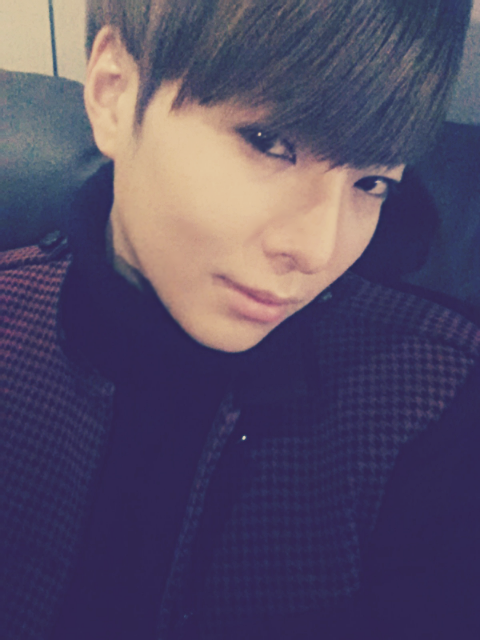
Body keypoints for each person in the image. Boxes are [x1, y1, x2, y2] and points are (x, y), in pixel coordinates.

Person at [2, 1, 479, 639]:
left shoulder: (436, 404)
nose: (316, 250)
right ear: (114, 93)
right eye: (270, 144)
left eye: (371, 183)